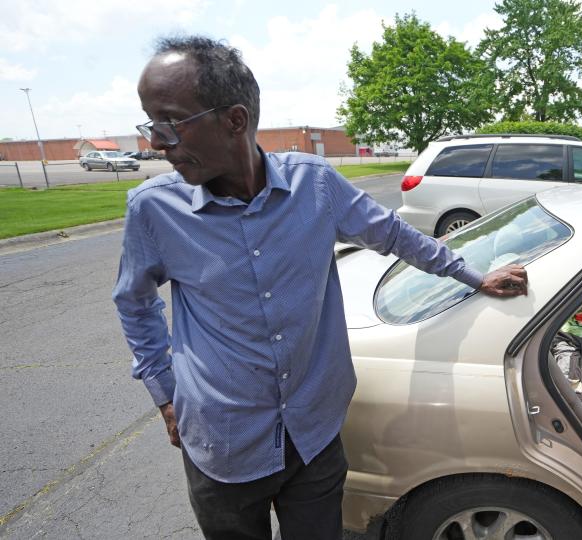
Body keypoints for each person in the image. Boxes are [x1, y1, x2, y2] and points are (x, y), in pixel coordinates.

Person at [112, 35, 528, 540]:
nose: (156, 142)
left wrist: (472, 274)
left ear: (235, 121)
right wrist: (166, 393)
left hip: (313, 435)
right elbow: (134, 303)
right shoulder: (154, 209)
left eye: (170, 122)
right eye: (151, 123)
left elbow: (393, 235)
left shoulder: (316, 185)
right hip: (222, 444)